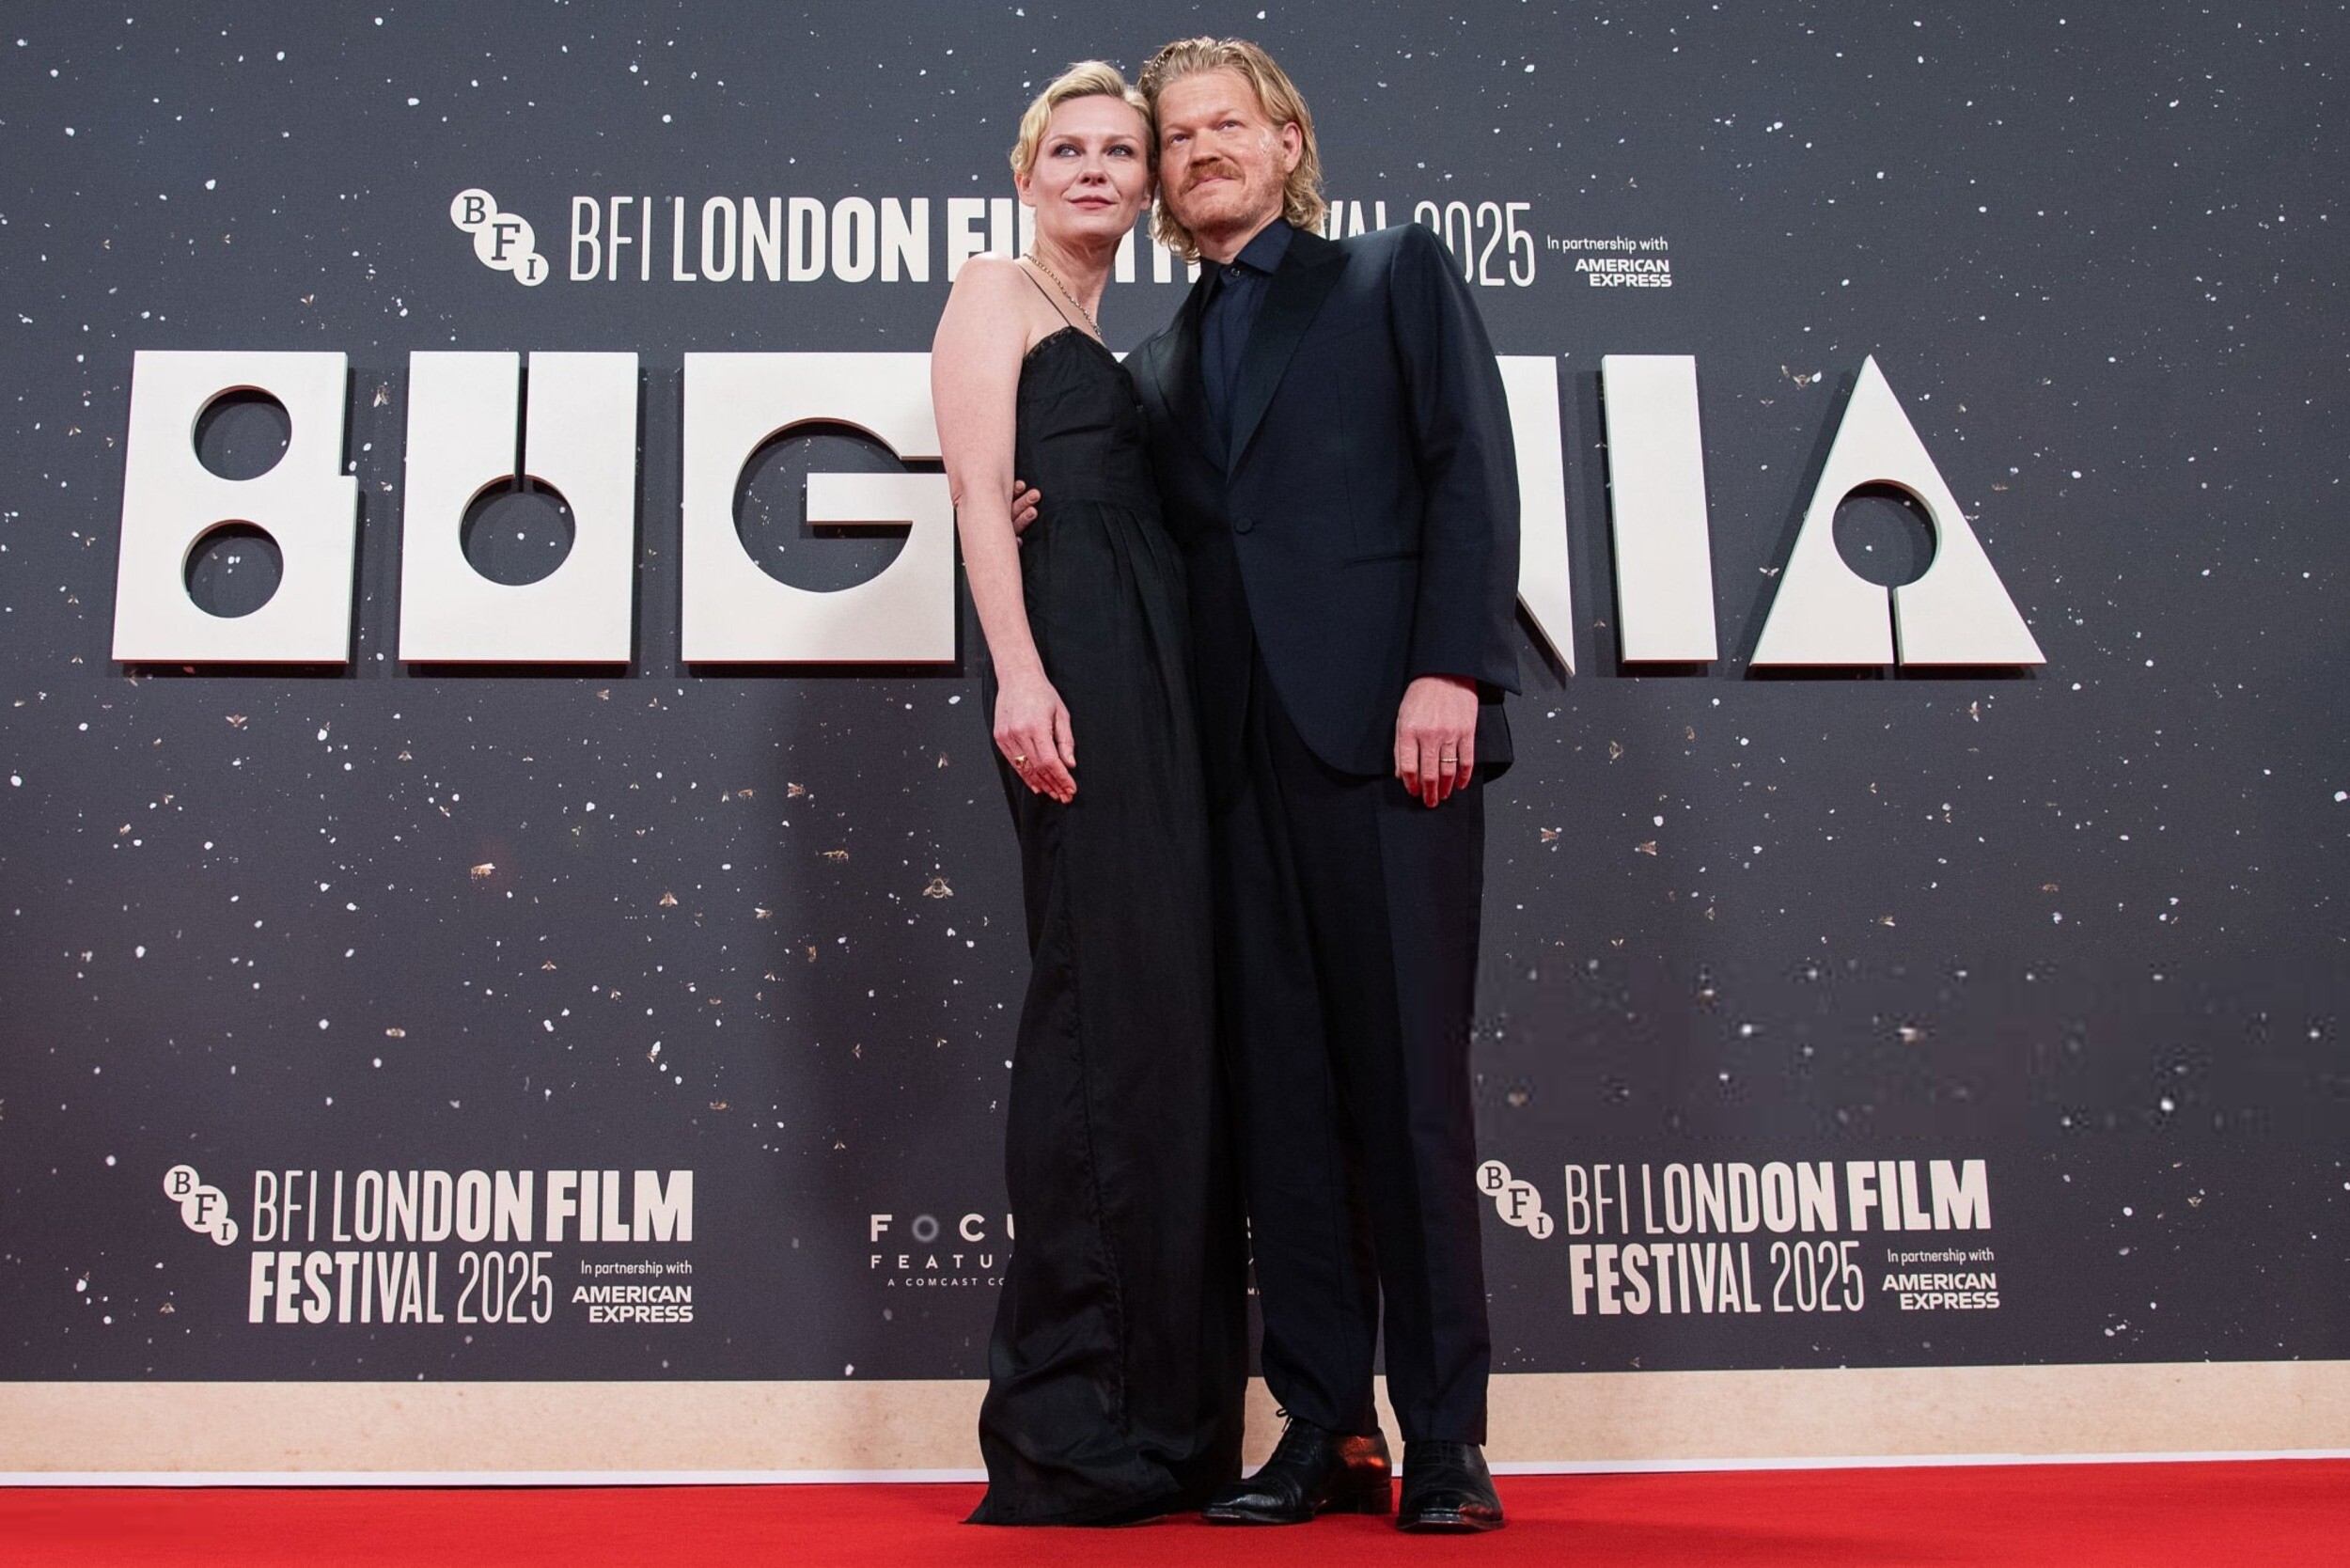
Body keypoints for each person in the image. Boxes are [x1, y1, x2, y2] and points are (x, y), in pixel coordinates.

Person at [1125, 37, 1521, 1532]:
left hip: (1388, 742)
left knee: (1409, 1092)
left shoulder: (1391, 276)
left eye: (1228, 124)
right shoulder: (1159, 362)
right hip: (1232, 771)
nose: (1202, 151)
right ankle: (1320, 1427)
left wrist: (1452, 667)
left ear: (1287, 142)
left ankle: (1449, 1440)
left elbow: (1468, 469)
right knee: (1280, 1106)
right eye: (1177, 138)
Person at [929, 61, 1247, 1526]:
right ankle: (1074, 1427)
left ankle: (1175, 1424)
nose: (1098, 169)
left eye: (1124, 150)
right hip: (1073, 668)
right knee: (1101, 1008)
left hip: (1158, 670)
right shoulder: (992, 291)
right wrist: (1019, 672)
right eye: (1070, 149)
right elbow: (976, 494)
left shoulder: (1127, 342)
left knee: (1168, 1018)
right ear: (1026, 172)